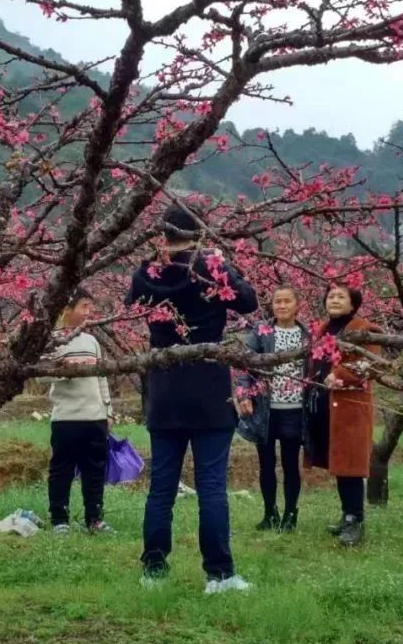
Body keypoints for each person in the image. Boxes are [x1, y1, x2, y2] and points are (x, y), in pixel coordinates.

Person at [126, 202, 258, 594]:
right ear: (197, 235)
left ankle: (153, 569)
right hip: (208, 389)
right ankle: (219, 574)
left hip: (164, 391)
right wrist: (222, 265)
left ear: (161, 236)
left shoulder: (145, 273)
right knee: (212, 487)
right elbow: (248, 301)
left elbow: (130, 305)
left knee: (161, 487)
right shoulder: (208, 268)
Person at [304, 284, 381, 547]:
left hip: (350, 407)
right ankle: (346, 515)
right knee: (340, 464)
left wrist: (339, 375)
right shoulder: (325, 330)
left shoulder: (365, 329)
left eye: (341, 297)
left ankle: (355, 520)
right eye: (330, 296)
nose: (334, 300)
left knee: (349, 466)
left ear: (353, 304)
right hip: (327, 405)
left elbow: (369, 364)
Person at [237, 286, 311, 532]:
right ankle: (270, 513)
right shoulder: (261, 331)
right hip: (266, 409)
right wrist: (245, 394)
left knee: (291, 463)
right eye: (277, 301)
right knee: (266, 463)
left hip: (295, 408)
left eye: (287, 301)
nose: (281, 306)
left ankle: (291, 513)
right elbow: (245, 364)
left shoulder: (307, 335)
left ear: (296, 304)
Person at [45, 288, 114, 534]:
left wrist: (108, 410)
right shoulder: (52, 340)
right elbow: (39, 376)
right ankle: (59, 519)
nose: (89, 312)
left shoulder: (92, 341)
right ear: (67, 308)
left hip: (94, 418)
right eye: (84, 306)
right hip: (66, 418)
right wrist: (62, 369)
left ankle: (94, 518)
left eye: (89, 306)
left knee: (94, 471)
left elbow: (101, 377)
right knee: (61, 470)